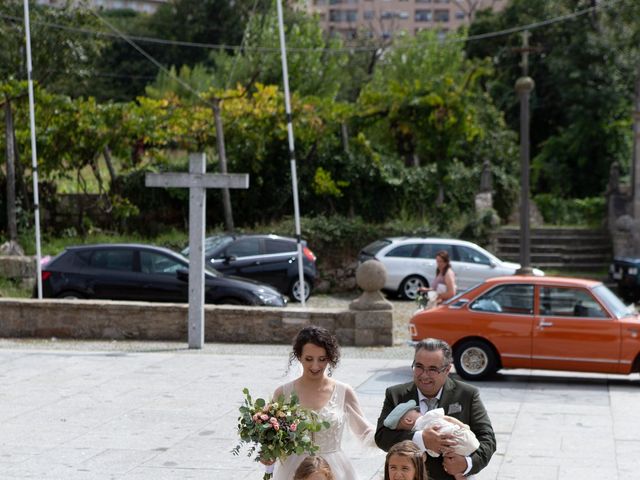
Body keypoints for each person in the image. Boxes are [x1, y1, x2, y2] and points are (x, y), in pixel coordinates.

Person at [375, 338, 496, 480]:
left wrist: (466, 464)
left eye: (433, 369)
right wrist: (421, 439)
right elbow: (382, 437)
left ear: (447, 370)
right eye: (419, 366)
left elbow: (488, 439)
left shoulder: (467, 394)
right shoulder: (396, 394)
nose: (424, 375)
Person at [268, 325, 376, 480]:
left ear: (330, 358)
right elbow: (272, 437)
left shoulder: (344, 392)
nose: (315, 366)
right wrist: (269, 453)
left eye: (322, 359)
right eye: (309, 359)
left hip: (335, 469)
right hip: (294, 470)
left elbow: (364, 431)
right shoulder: (282, 393)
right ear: (299, 357)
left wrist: (395, 432)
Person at [383, 401, 480, 480]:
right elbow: (449, 419)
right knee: (452, 463)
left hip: (454, 445)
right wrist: (464, 427)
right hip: (462, 438)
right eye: (417, 411)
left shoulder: (423, 424)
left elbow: (426, 453)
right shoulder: (428, 417)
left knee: (450, 463)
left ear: (408, 420)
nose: (420, 412)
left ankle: (459, 475)